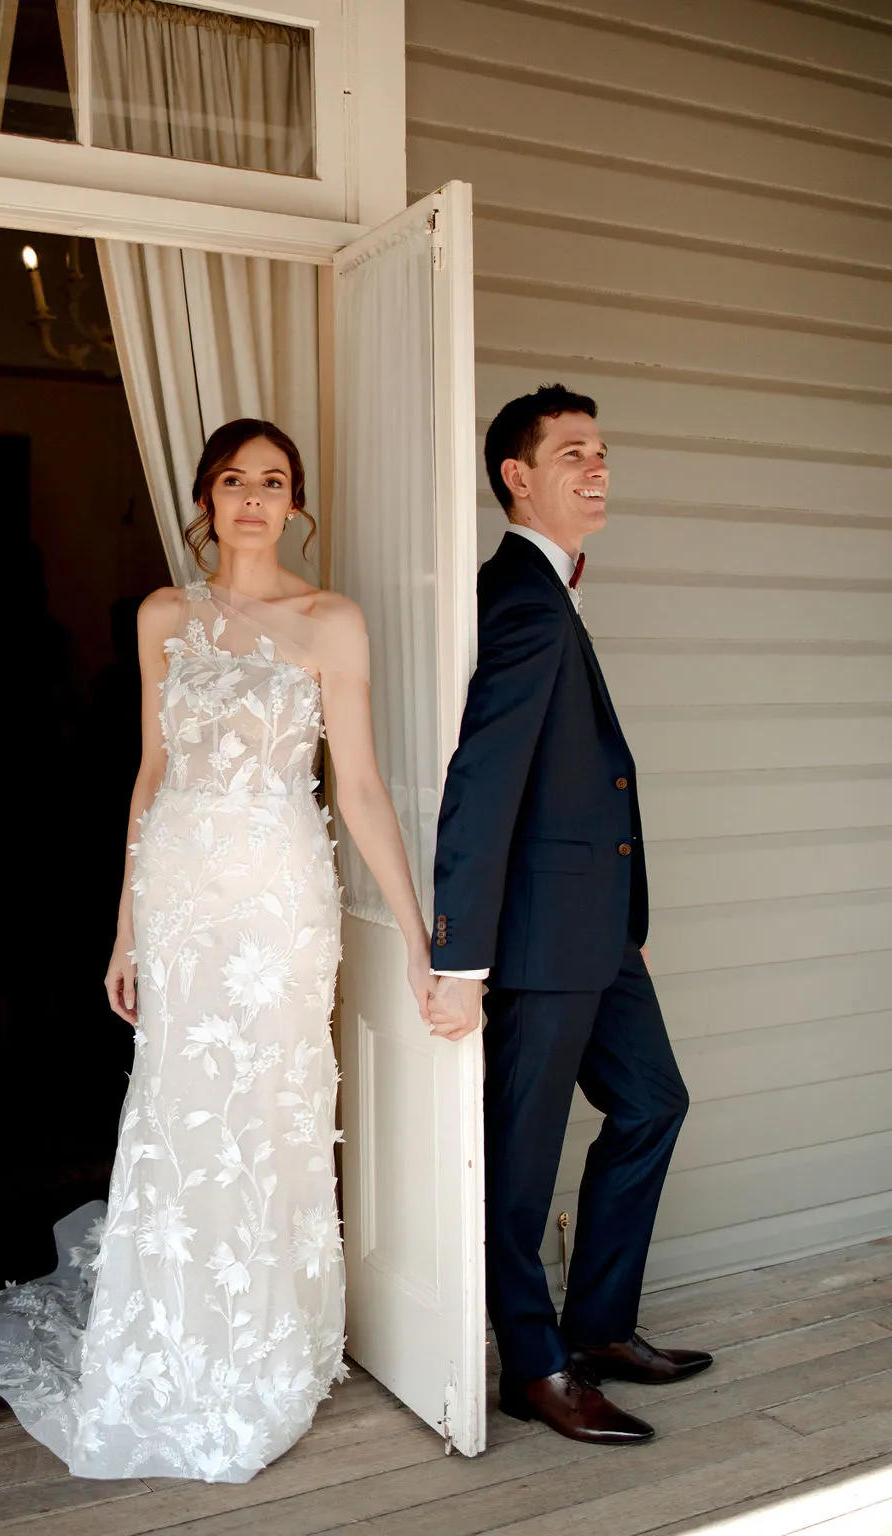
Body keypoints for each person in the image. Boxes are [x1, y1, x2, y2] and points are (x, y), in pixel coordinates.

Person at [0, 419, 434, 1482]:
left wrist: (414, 933)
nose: (255, 499)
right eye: (235, 481)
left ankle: (260, 1345)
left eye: (274, 482)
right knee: (181, 1111)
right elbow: (150, 771)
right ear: (206, 499)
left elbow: (354, 788)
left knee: (269, 1112)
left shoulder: (331, 622)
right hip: (180, 899)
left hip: (277, 903)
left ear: (297, 504)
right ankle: (174, 1334)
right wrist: (127, 924)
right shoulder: (165, 616)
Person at [427, 383, 712, 1446]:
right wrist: (458, 954)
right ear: (517, 475)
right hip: (539, 942)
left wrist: (628, 903)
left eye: (603, 454)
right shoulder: (522, 598)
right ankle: (532, 1364)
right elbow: (483, 777)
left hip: (601, 929)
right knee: (520, 1161)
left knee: (651, 1102)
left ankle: (596, 1326)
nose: (597, 471)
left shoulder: (555, 593)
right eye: (574, 454)